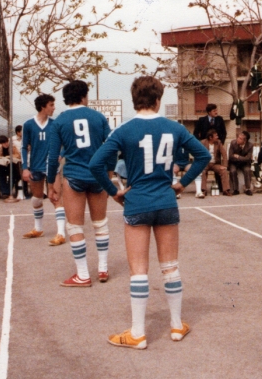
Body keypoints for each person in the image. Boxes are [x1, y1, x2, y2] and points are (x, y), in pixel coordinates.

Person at [89, 75, 210, 350]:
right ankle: (177, 325)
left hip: (137, 203)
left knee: (139, 271)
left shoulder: (123, 130)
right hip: (167, 202)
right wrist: (181, 184)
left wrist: (114, 191)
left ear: (134, 100)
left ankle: (138, 333)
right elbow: (203, 156)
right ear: (158, 100)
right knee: (170, 267)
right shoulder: (173, 127)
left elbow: (96, 164)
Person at [47, 80, 113, 287]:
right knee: (100, 223)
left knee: (74, 226)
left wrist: (51, 184)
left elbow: (52, 157)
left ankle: (83, 275)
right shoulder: (98, 117)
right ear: (84, 96)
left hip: (74, 176)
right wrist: (109, 175)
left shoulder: (59, 121)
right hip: (98, 176)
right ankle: (102, 268)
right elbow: (111, 148)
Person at [21, 93, 67, 246]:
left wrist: (60, 154)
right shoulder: (28, 125)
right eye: (51, 105)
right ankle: (38, 229)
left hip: (52, 166)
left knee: (55, 198)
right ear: (43, 107)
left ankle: (61, 234)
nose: (54, 108)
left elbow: (66, 144)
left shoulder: (55, 124)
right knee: (36, 199)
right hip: (35, 166)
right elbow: (23, 147)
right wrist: (25, 168)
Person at [200, 129, 232, 196]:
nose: (217, 137)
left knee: (223, 171)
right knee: (202, 171)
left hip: (215, 164)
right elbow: (198, 153)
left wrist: (224, 165)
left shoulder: (218, 142)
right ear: (210, 137)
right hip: (205, 163)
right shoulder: (203, 142)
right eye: (216, 136)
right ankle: (203, 190)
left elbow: (224, 154)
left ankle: (225, 190)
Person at [228, 131, 253, 196]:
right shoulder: (233, 143)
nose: (237, 139)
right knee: (233, 171)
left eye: (240, 138)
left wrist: (238, 156)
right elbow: (230, 156)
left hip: (244, 163)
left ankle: (247, 189)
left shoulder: (250, 145)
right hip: (234, 162)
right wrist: (243, 158)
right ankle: (235, 189)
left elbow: (248, 158)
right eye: (238, 137)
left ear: (244, 141)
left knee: (247, 170)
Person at [12, 125, 30, 199]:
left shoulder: (26, 139)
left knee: (24, 176)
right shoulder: (12, 139)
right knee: (17, 176)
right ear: (18, 132)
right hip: (16, 160)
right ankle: (18, 192)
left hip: (25, 159)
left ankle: (25, 192)